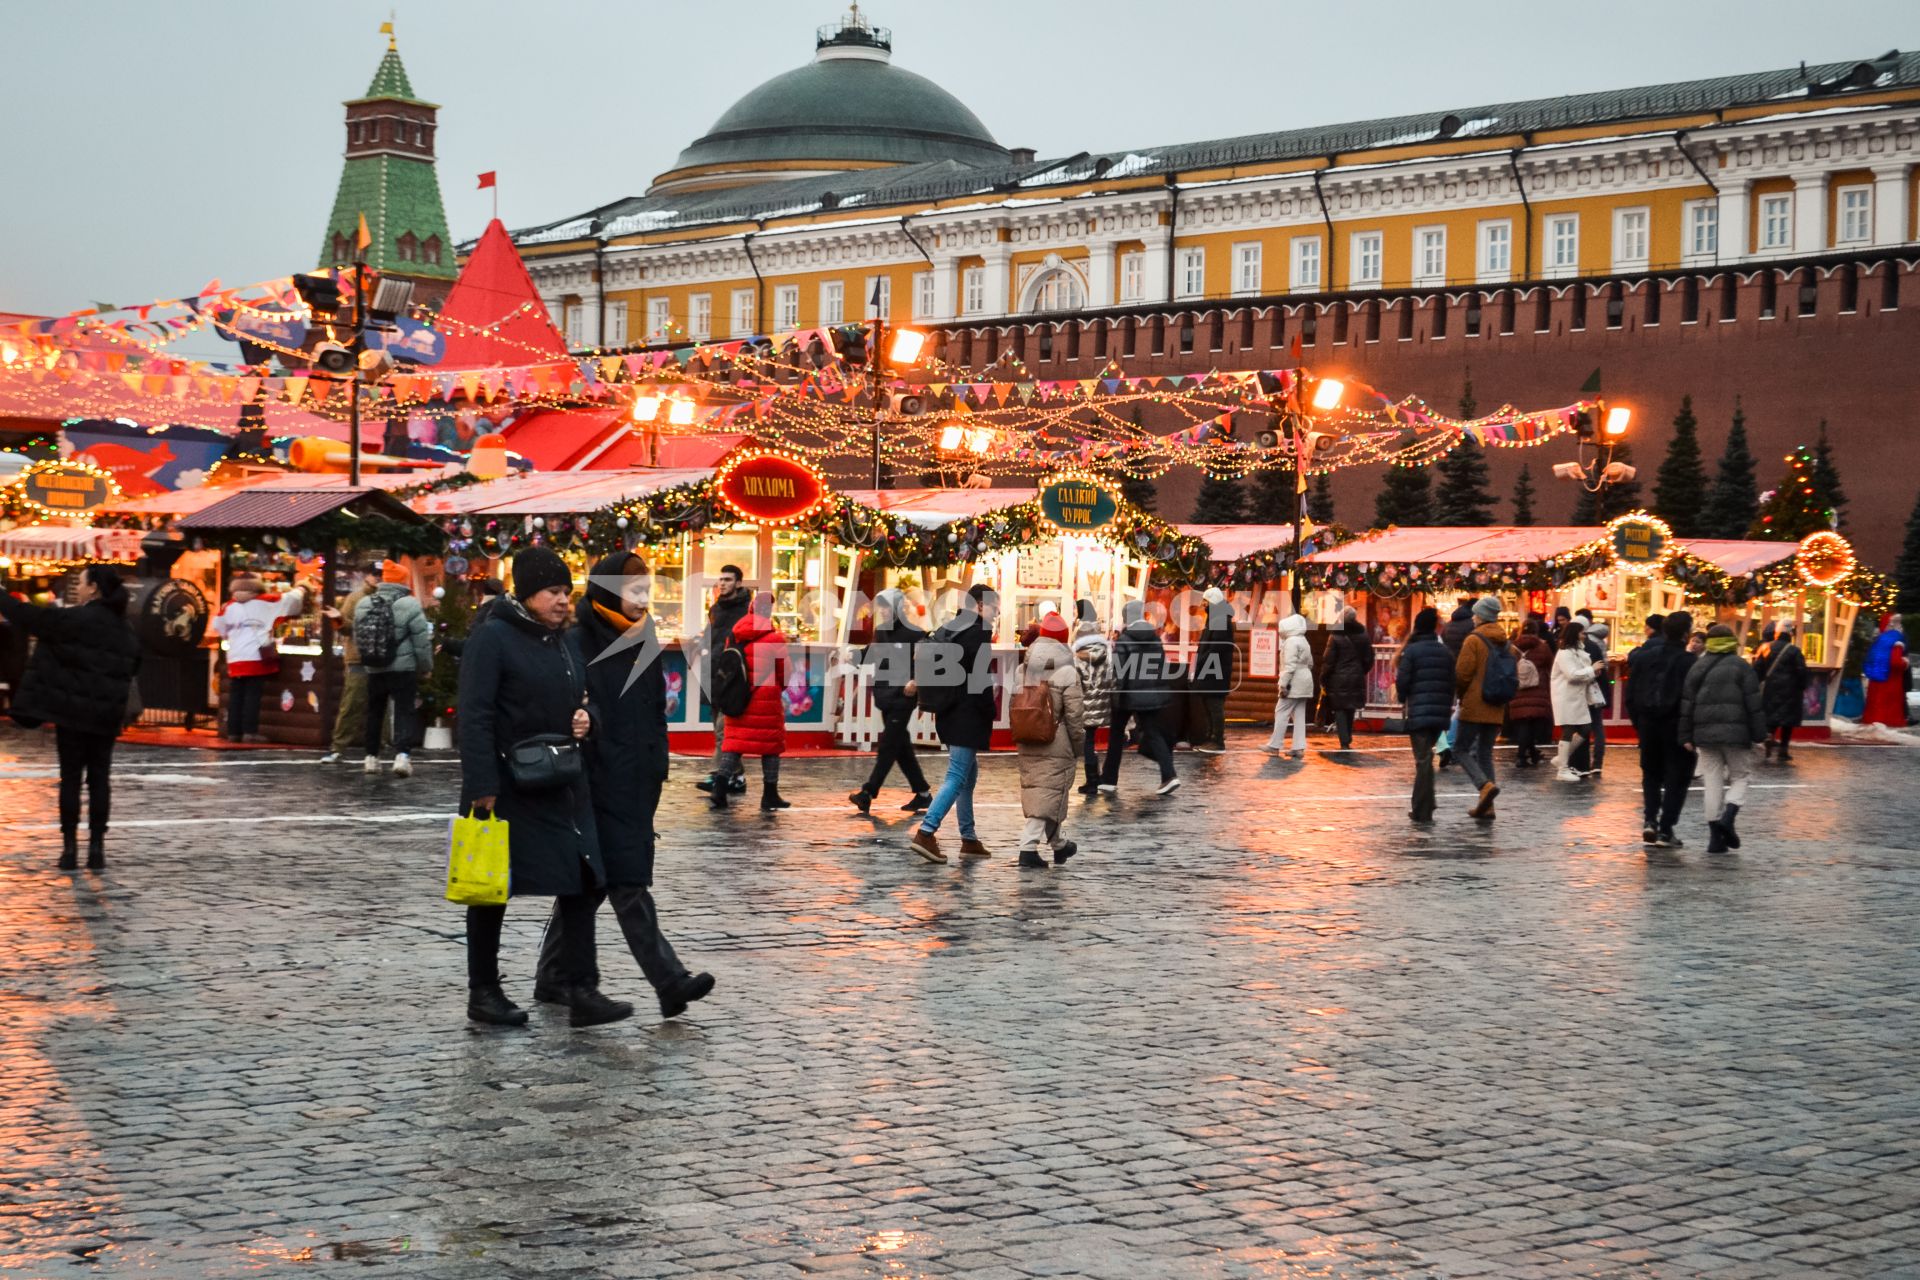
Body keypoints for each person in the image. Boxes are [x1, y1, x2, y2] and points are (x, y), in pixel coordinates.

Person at [533, 553, 715, 1020]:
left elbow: (654, 711)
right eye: (633, 588)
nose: (642, 597)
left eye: (645, 588)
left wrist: (657, 766)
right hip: (594, 780)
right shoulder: (577, 640)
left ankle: (552, 977)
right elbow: (565, 708)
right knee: (627, 882)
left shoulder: (644, 638)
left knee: (592, 885)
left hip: (636, 780)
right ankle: (670, 982)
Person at [456, 547, 629, 1029]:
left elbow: (588, 698)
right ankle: (484, 992)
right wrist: (481, 784)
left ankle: (580, 987)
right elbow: (475, 714)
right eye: (553, 592)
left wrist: (586, 718)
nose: (562, 601)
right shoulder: (493, 637)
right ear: (527, 593)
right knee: (493, 889)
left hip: (562, 781)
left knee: (583, 878)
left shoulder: (565, 641)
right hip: (508, 785)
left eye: (566, 592)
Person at [0, 565, 141, 870]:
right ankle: (97, 849)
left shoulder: (74, 619)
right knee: (100, 779)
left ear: (94, 589)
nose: (78, 586)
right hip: (106, 715)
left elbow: (29, 617)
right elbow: (133, 666)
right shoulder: (124, 627)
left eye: (81, 582)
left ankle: (69, 850)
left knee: (71, 779)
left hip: (72, 714)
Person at [911, 584, 999, 863]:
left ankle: (969, 838)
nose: (996, 614)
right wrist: (990, 710)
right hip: (968, 714)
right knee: (958, 775)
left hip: (947, 710)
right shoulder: (979, 631)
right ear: (981, 605)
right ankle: (926, 831)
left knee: (968, 776)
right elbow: (979, 679)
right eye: (994, 608)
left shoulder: (949, 627)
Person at [1679, 623, 1766, 854]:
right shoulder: (1741, 666)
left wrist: (1685, 734)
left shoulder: (1698, 667)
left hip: (1705, 735)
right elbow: (1753, 703)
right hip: (1738, 734)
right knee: (1740, 776)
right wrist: (1759, 734)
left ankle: (1715, 838)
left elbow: (1687, 704)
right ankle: (1729, 815)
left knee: (1712, 782)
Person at [850, 587, 932, 814]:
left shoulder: (915, 634)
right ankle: (923, 793)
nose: (883, 611)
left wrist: (916, 680)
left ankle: (868, 792)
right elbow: (872, 652)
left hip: (903, 698)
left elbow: (926, 662)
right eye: (881, 606)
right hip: (885, 695)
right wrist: (852, 656)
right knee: (900, 746)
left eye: (887, 606)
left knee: (887, 745)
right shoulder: (881, 631)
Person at [1014, 612, 1086, 869]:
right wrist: (1079, 747)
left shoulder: (1023, 668)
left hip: (1027, 737)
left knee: (1045, 792)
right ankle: (1028, 847)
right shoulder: (1068, 671)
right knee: (1048, 795)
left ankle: (1059, 845)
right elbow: (1075, 716)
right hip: (1057, 741)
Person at [710, 591, 791, 812]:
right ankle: (769, 794)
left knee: (733, 746)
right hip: (766, 700)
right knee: (771, 748)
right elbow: (785, 672)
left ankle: (719, 790)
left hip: (739, 698)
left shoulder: (735, 634)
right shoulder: (774, 638)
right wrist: (776, 688)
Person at [210, 574, 306, 742]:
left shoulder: (229, 606)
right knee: (252, 695)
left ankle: (233, 732)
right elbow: (292, 600)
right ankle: (250, 732)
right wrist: (302, 588)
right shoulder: (266, 601)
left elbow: (218, 625)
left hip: (235, 656)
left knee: (236, 695)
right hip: (256, 656)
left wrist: (231, 637)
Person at [360, 561, 433, 777]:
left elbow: (360, 636)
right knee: (404, 710)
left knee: (374, 712)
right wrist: (426, 666)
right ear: (403, 581)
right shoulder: (411, 605)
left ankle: (370, 758)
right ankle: (402, 756)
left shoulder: (365, 603)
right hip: (403, 668)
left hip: (375, 667)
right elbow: (421, 641)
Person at [1632, 611, 1698, 848]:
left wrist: (1638, 723)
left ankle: (1650, 819)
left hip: (1648, 723)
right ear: (1685, 634)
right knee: (1677, 778)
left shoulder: (1644, 657)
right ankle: (1666, 828)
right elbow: (1693, 698)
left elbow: (1632, 692)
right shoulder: (1689, 662)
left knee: (1650, 773)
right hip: (1676, 725)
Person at [1101, 600, 1180, 795]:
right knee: (1153, 732)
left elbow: (1120, 672)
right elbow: (1161, 668)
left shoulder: (1124, 640)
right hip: (1150, 694)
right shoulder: (1155, 639)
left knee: (1117, 734)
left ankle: (1109, 779)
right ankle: (1169, 775)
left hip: (1128, 694)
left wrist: (1116, 696)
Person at [1450, 595, 1510, 819]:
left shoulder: (1473, 640)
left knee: (1460, 749)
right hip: (1496, 704)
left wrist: (1460, 695)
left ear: (1482, 616)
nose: (1473, 618)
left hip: (1475, 704)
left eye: (1476, 614)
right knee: (1485, 753)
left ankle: (1484, 786)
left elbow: (1463, 674)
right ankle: (1488, 806)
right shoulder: (1504, 640)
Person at [319, 566, 385, 765]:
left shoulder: (390, 598)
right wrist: (338, 619)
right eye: (376, 575)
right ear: (368, 577)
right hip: (359, 657)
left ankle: (380, 746)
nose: (378, 579)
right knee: (351, 704)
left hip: (383, 659)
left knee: (381, 705)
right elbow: (345, 627)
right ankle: (338, 747)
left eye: (382, 576)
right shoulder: (355, 598)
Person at [1394, 606, 1454, 823]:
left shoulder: (1411, 651)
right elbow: (1451, 683)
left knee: (1423, 760)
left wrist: (1403, 697)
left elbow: (1403, 681)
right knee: (1425, 758)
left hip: (1419, 711)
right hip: (1439, 712)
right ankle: (1426, 803)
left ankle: (1422, 809)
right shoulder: (1445, 652)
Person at [698, 564, 753, 796]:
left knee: (724, 730)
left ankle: (717, 774)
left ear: (738, 583)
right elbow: (710, 637)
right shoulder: (716, 608)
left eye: (728, 580)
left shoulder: (746, 611)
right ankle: (737, 777)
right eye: (721, 579)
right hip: (712, 675)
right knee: (718, 729)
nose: (723, 583)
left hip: (732, 677)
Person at [1550, 621, 1601, 781]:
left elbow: (1578, 673)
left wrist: (1592, 673)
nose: (1584, 636)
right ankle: (1563, 768)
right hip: (1566, 697)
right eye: (1581, 633)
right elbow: (1572, 674)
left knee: (1585, 728)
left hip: (1576, 697)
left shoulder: (1576, 651)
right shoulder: (1565, 653)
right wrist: (1591, 669)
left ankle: (1561, 759)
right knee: (1569, 728)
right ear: (1574, 634)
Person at [1318, 606, 1374, 751]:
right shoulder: (1363, 634)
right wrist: (1361, 671)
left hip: (1338, 677)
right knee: (1350, 708)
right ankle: (1347, 737)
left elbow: (1328, 660)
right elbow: (1369, 657)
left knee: (1340, 708)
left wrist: (1324, 677)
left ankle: (1344, 740)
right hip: (1356, 677)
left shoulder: (1335, 634)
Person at [1072, 607, 1115, 795]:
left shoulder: (1077, 657)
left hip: (1084, 704)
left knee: (1087, 743)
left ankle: (1092, 780)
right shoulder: (1107, 653)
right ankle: (1096, 777)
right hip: (1101, 704)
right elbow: (1112, 678)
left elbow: (1075, 683)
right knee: (1092, 740)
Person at [1190, 588, 1235, 754]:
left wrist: (1202, 662)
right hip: (1212, 668)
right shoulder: (1216, 618)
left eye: (1205, 601)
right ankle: (1211, 738)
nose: (1203, 604)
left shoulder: (1220, 620)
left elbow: (1215, 648)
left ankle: (1217, 739)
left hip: (1215, 670)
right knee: (1209, 704)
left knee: (1214, 704)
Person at [1263, 613, 1313, 758]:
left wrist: (1283, 684)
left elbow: (1289, 666)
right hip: (1305, 680)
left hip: (1293, 682)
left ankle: (1274, 745)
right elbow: (1310, 663)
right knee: (1299, 714)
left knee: (1281, 711)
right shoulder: (1304, 640)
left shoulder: (1291, 641)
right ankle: (1298, 747)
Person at [1758, 622, 1809, 760]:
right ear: (1790, 634)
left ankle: (1769, 736)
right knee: (1788, 721)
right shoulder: (1794, 651)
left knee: (1771, 717)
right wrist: (1802, 686)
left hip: (1770, 689)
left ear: (1776, 633)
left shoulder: (1765, 648)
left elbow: (1758, 668)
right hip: (1791, 691)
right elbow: (1801, 671)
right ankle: (1783, 750)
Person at [1507, 620, 1554, 766]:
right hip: (1538, 690)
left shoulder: (1512, 648)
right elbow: (1550, 665)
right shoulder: (1543, 647)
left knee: (1523, 723)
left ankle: (1529, 754)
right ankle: (1522, 756)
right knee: (1532, 724)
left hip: (1518, 689)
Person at [1569, 618, 1611, 776]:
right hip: (1596, 691)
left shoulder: (1577, 648)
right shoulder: (1595, 645)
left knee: (1582, 726)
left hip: (1583, 691)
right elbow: (1601, 669)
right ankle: (1597, 763)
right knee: (1597, 726)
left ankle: (1579, 762)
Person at [1861, 613, 1909, 728]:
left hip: (1877, 679)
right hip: (1891, 681)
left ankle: (1872, 721)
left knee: (1875, 705)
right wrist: (1905, 662)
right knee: (1887, 708)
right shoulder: (1896, 640)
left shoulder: (1880, 640)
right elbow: (1895, 663)